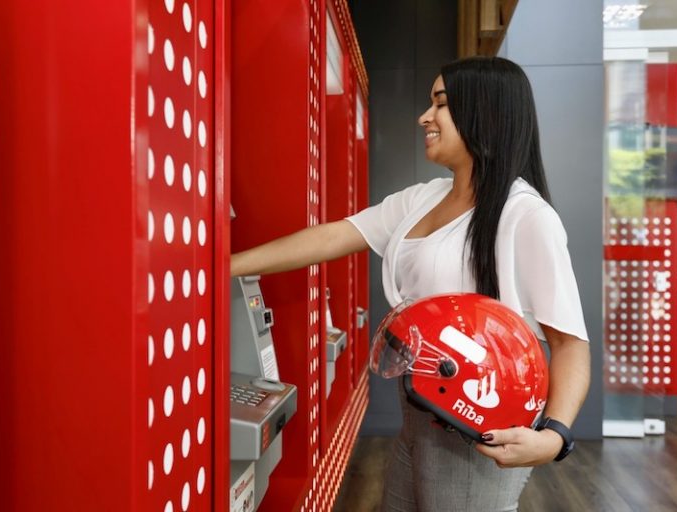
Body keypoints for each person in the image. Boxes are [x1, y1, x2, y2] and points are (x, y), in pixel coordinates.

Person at [230, 56, 590, 511]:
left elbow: (570, 343)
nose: (425, 116)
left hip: (476, 425)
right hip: (420, 412)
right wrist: (227, 266)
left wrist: (555, 437)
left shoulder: (526, 216)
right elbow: (336, 234)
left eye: (440, 104)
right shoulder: (425, 197)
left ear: (486, 112)